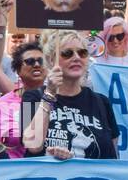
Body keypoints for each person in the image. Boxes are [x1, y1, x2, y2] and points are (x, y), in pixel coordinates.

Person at [22, 31, 120, 160]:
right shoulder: (31, 97)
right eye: (67, 53)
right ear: (51, 60)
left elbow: (112, 156)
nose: (76, 58)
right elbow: (33, 145)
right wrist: (49, 94)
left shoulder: (102, 102)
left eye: (82, 53)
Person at [0, 40, 46, 157]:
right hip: (17, 169)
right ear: (17, 70)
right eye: (30, 61)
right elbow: (1, 141)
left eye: (41, 61)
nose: (37, 65)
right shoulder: (3, 104)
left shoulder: (60, 98)